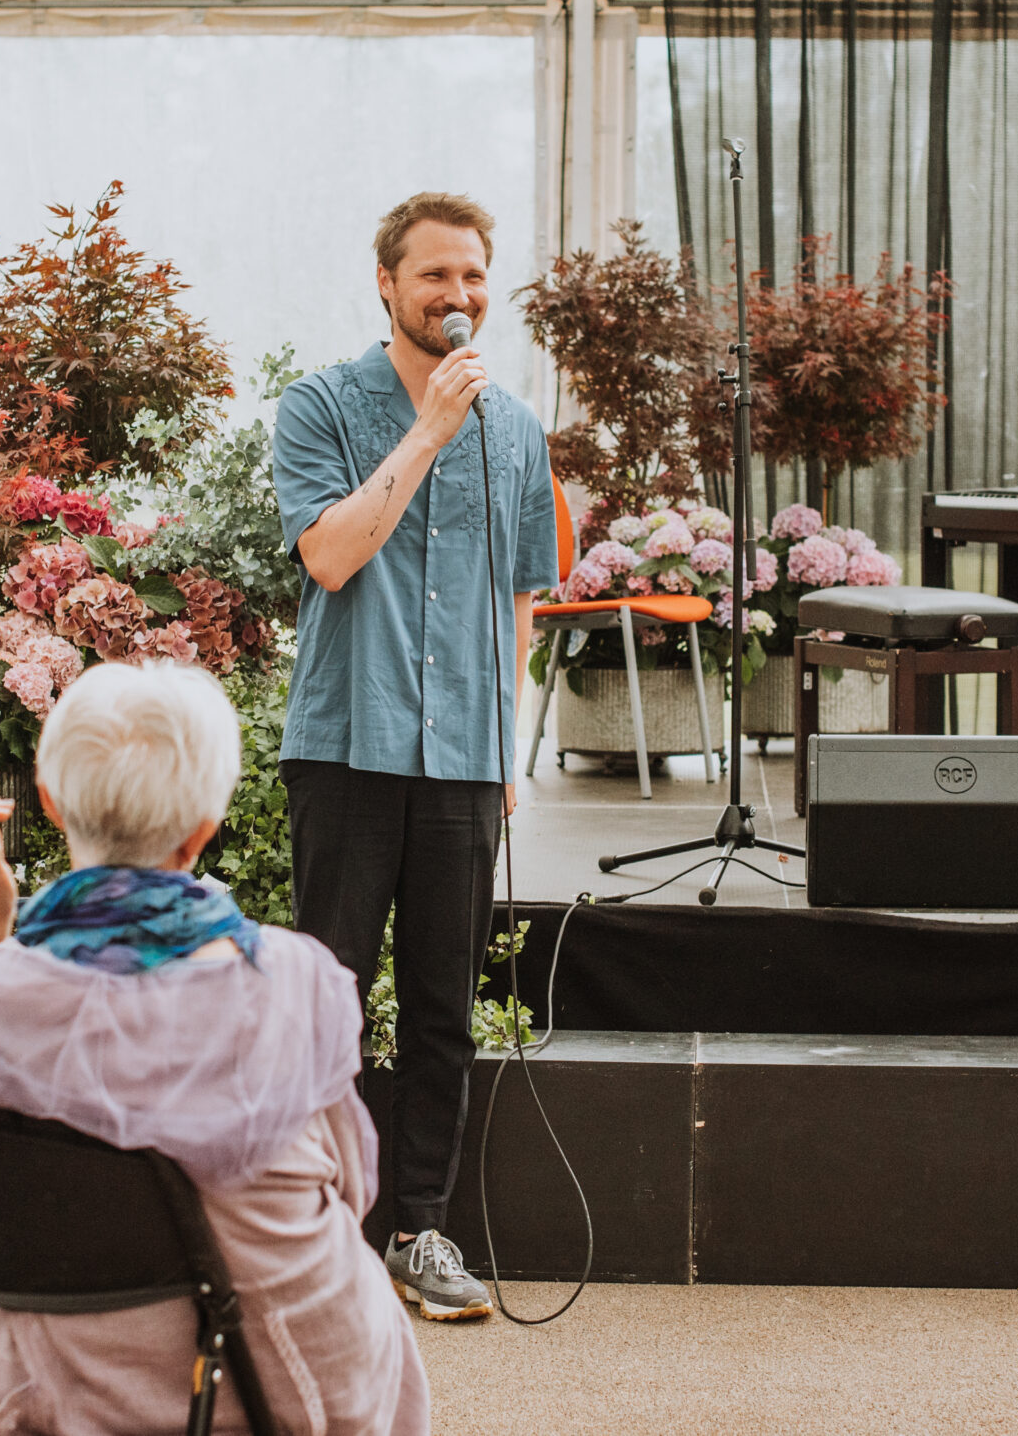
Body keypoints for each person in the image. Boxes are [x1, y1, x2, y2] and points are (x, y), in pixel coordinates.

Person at [0, 661, 429, 1435]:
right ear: (203, 829)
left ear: (49, 803)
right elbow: (353, 1190)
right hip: (294, 1384)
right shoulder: (299, 981)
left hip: (69, 1391)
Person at [269, 190, 559, 1321]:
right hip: (348, 744)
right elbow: (331, 558)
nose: (458, 294)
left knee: (444, 1006)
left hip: (464, 759)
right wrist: (428, 429)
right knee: (329, 999)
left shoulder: (517, 430)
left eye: (473, 274)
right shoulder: (320, 407)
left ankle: (420, 1231)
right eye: (435, 274)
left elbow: (519, 597)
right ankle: (316, 1232)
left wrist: (506, 747)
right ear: (386, 284)